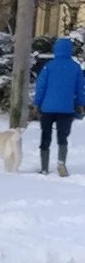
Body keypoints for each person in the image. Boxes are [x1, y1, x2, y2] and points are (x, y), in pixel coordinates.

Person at [31, 37, 84, 176]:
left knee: (46, 136)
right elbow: (80, 89)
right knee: (62, 137)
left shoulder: (49, 66)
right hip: (66, 109)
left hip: (48, 108)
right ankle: (61, 162)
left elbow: (41, 86)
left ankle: (44, 167)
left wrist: (37, 103)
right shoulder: (75, 67)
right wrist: (80, 104)